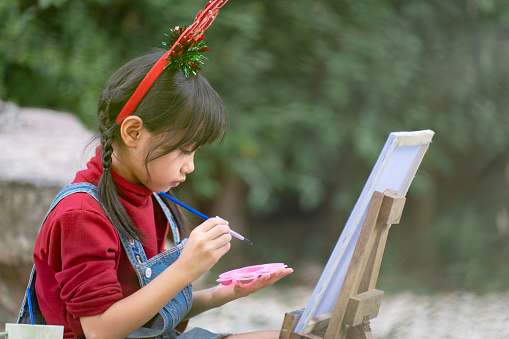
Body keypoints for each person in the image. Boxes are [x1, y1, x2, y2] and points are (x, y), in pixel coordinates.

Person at [21, 1, 293, 338]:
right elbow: (101, 330)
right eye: (183, 150)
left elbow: (145, 310)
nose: (190, 166)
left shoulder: (153, 199)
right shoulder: (81, 216)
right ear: (133, 132)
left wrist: (224, 294)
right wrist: (185, 269)